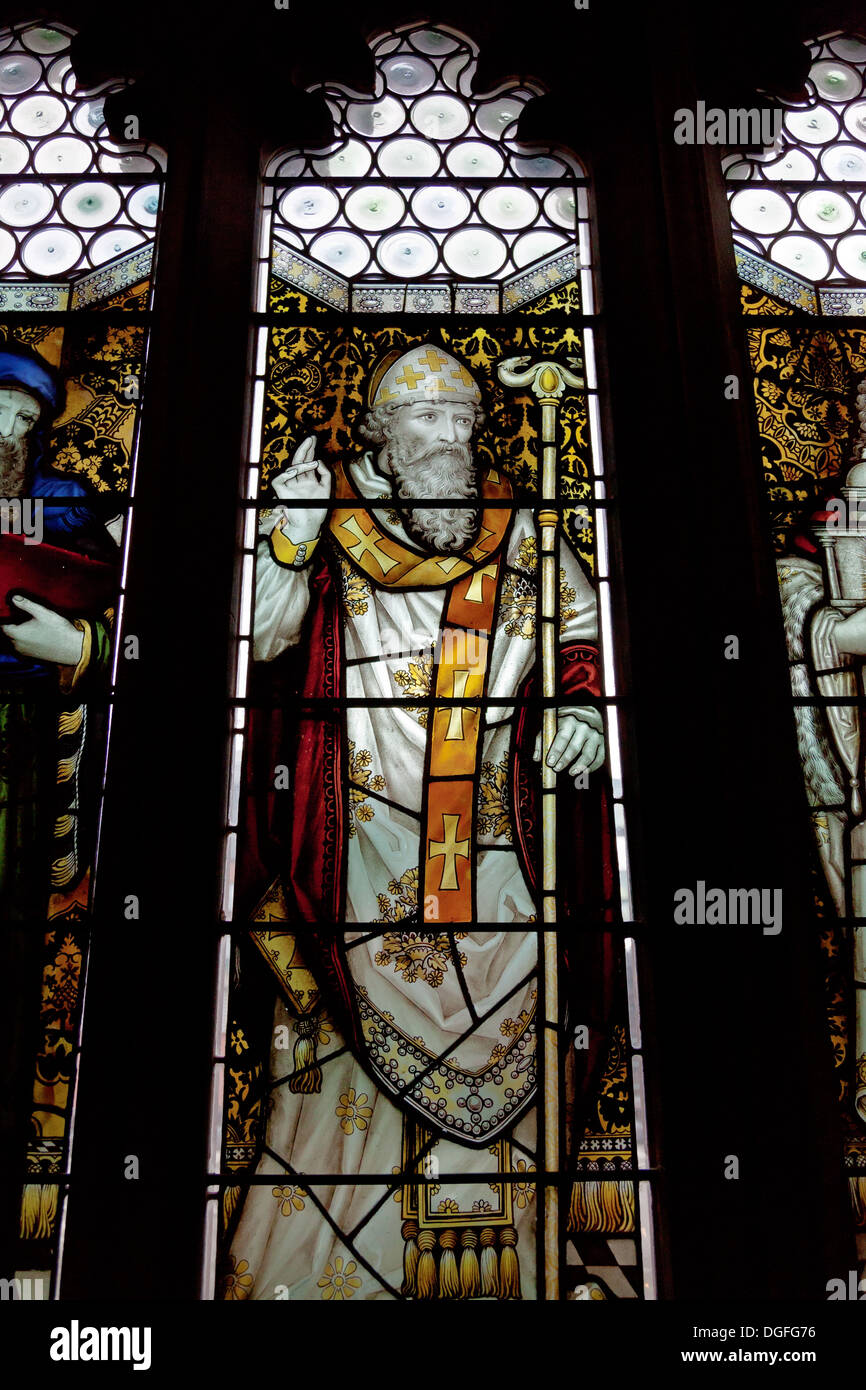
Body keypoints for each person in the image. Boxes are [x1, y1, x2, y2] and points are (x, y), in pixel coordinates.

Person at [226, 343, 616, 1300]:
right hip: (351, 838)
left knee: (518, 1024)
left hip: (494, 843)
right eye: (427, 420)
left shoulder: (520, 526)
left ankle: (508, 1279)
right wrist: (286, 535)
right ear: (380, 435)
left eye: (465, 422)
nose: (453, 440)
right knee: (338, 1057)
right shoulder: (326, 511)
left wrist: (577, 706)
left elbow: (581, 630)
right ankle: (322, 1282)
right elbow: (260, 639)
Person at [0, 344, 118, 919]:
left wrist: (77, 645)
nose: (8, 432)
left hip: (25, 719)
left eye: (23, 420)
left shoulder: (63, 504)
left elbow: (118, 598)